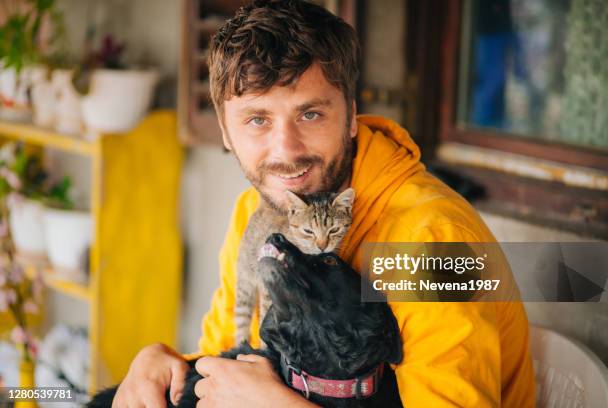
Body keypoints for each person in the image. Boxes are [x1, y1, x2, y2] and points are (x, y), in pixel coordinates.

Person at [112, 1, 535, 407]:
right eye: (257, 120)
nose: (287, 150)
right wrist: (170, 364)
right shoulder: (254, 213)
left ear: (351, 116)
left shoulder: (429, 243)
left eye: (310, 114)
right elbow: (227, 362)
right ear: (225, 132)